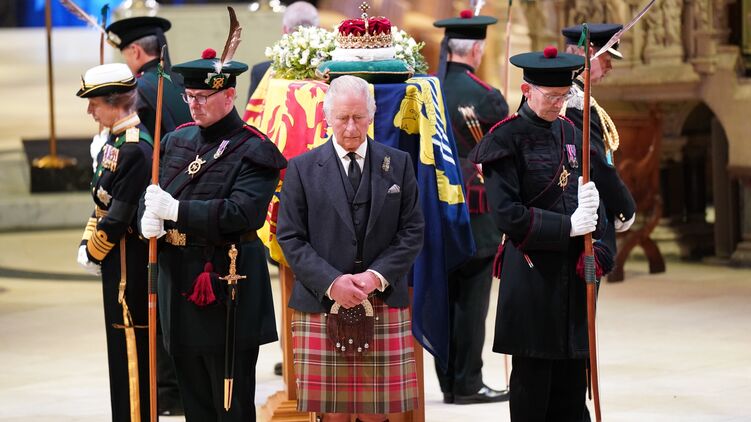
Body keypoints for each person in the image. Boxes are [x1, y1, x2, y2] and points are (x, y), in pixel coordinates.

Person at [139, 47, 287, 422]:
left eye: (203, 97)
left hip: (226, 288)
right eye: (190, 96)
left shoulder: (255, 149)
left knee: (230, 404)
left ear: (229, 95)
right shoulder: (176, 140)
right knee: (195, 402)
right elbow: (154, 192)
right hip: (178, 285)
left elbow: (242, 213)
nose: (194, 105)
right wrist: (148, 219)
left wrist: (177, 212)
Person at [469, 47, 612, 421]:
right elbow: (507, 215)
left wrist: (596, 220)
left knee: (572, 385)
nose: (557, 104)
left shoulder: (572, 132)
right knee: (533, 388)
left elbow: (592, 198)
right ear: (526, 89)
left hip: (573, 277)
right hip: (532, 276)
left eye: (563, 96)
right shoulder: (504, 139)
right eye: (550, 96)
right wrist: (568, 226)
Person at [276, 75, 424, 422]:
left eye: (359, 117)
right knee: (334, 413)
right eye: (343, 118)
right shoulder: (301, 168)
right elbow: (290, 237)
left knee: (376, 413)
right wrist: (332, 283)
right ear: (327, 117)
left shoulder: (399, 163)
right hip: (321, 301)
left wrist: (375, 277)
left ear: (372, 116)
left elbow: (413, 231)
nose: (352, 127)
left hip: (382, 297)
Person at [106, 15, 193, 415]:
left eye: (125, 53)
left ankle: (167, 391)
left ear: (136, 52)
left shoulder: (142, 87)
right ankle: (178, 389)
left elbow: (138, 150)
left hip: (156, 203)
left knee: (156, 301)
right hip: (187, 200)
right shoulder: (178, 80)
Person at [432, 11, 510, 405]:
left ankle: (448, 380)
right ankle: (467, 383)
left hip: (435, 210)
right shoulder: (487, 97)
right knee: (472, 301)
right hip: (476, 212)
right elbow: (503, 157)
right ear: (477, 50)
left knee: (444, 298)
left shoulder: (426, 90)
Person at [75, 62, 153, 422]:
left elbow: (119, 217)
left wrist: (93, 251)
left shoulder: (134, 148)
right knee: (120, 359)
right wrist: (87, 241)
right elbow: (102, 204)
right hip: (116, 264)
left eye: (94, 104)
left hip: (128, 270)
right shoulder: (116, 141)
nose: (90, 112)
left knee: (131, 358)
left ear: (115, 102)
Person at [562, 23, 636, 258]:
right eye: (607, 59)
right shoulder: (575, 101)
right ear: (590, 53)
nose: (610, 67)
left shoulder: (571, 94)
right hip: (582, 211)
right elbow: (596, 163)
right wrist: (625, 208)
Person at [106, 16, 192, 136]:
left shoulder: (136, 89)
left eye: (125, 56)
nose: (126, 62)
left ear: (135, 51)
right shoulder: (185, 79)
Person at [247, 1, 319, 101]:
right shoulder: (327, 73)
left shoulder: (261, 72)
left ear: (285, 30)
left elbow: (253, 110)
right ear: (318, 29)